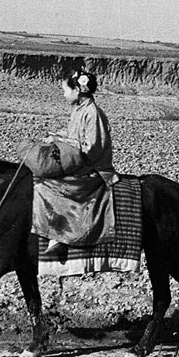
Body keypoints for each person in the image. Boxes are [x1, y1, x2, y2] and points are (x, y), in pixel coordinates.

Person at [33, 70, 118, 255]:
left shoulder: (92, 113)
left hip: (94, 169)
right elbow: (74, 136)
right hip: (82, 163)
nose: (64, 95)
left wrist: (62, 142)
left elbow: (91, 148)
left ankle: (61, 236)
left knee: (55, 187)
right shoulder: (79, 110)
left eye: (65, 91)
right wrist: (56, 136)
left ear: (78, 90)